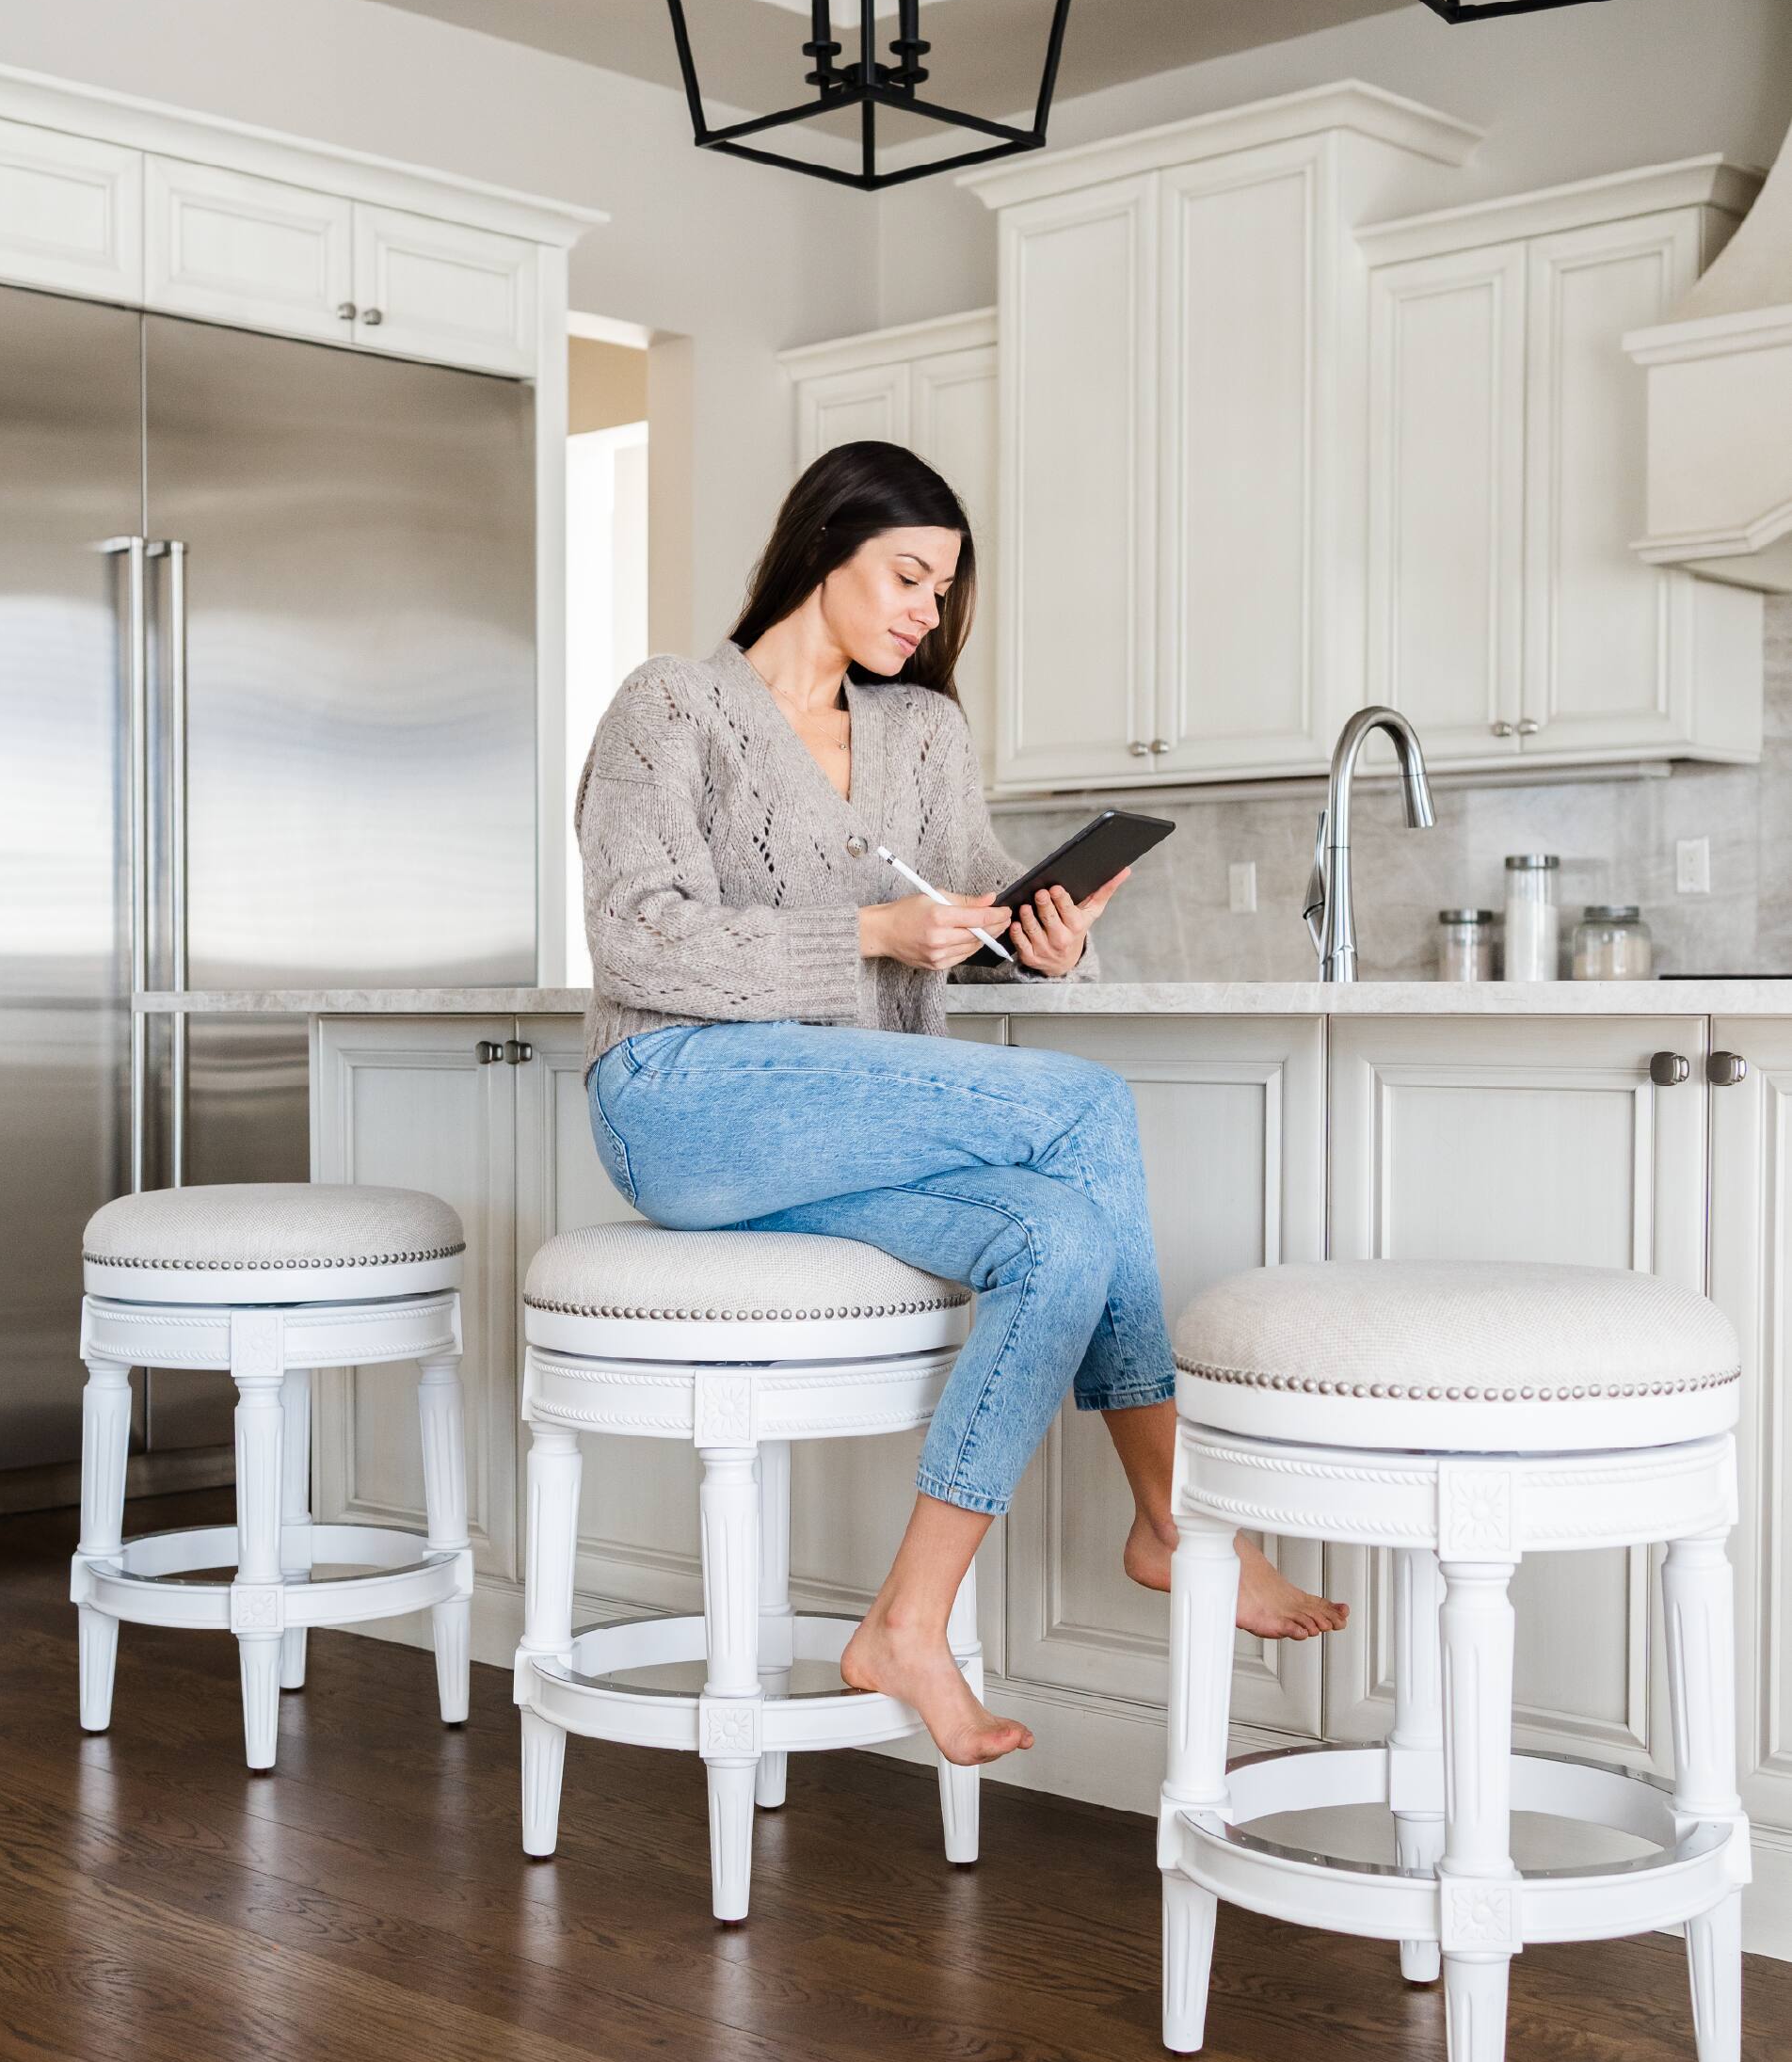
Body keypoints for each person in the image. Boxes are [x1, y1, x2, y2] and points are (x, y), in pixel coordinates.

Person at [574, 440, 1345, 1768]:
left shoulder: (922, 730)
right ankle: (1177, 1521)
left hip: (836, 1123)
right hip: (680, 1099)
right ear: (824, 548)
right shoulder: (673, 705)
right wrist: (872, 929)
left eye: (946, 589)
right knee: (1089, 1107)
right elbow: (640, 935)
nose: (929, 611)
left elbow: (976, 896)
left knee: (1061, 1237)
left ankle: (907, 1622)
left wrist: (1040, 937)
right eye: (908, 575)